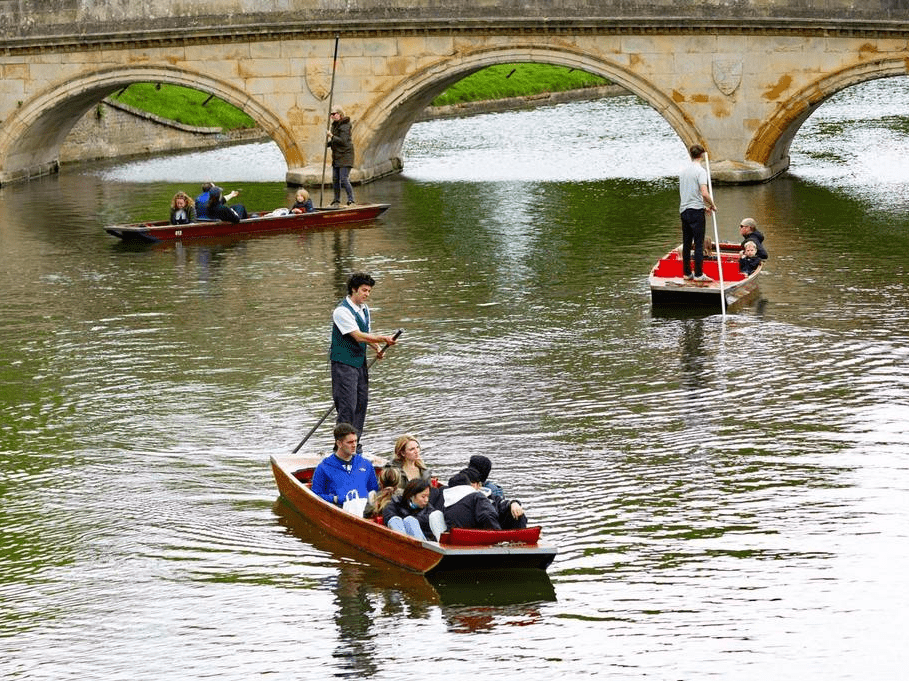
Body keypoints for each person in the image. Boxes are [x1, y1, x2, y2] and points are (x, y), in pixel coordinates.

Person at [330, 272, 398, 452]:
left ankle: (355, 446)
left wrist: (376, 348)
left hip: (359, 363)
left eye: (369, 291)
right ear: (354, 289)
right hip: (344, 365)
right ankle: (340, 449)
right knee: (347, 407)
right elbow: (357, 335)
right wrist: (382, 338)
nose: (367, 294)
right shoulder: (341, 311)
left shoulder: (365, 309)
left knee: (361, 404)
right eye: (364, 290)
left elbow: (366, 334)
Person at [311, 422, 380, 506]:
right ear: (339, 443)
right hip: (339, 510)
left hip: (365, 509)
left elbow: (374, 490)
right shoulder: (323, 468)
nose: (354, 445)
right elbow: (315, 496)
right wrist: (335, 499)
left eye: (355, 441)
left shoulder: (366, 464)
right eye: (350, 442)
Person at [442, 467, 527, 531]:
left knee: (517, 514)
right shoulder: (476, 498)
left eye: (477, 484)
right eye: (471, 484)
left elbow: (501, 504)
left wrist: (513, 503)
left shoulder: (487, 496)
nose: (477, 487)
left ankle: (524, 539)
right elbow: (487, 516)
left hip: (489, 530)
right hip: (484, 535)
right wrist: (498, 537)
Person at [678, 144, 717, 282]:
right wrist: (712, 205)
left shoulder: (683, 171)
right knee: (699, 244)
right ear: (701, 155)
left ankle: (687, 273)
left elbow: (689, 193)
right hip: (695, 212)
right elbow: (704, 193)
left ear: (691, 155)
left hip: (684, 210)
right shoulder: (700, 171)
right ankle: (699, 274)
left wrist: (703, 207)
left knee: (687, 243)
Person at [382, 478, 447, 541]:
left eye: (428, 496)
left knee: (410, 520)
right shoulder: (396, 502)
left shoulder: (429, 510)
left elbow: (426, 521)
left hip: (423, 542)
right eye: (423, 496)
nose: (426, 500)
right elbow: (388, 515)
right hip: (400, 537)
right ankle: (402, 544)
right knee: (394, 520)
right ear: (411, 496)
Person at [327, 107, 356, 206]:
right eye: (331, 114)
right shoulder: (334, 126)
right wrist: (328, 144)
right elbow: (336, 140)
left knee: (344, 178)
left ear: (340, 114)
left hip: (346, 155)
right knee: (335, 179)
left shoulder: (345, 125)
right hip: (337, 156)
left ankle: (351, 200)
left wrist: (331, 136)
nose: (332, 116)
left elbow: (343, 141)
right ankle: (336, 200)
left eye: (334, 114)